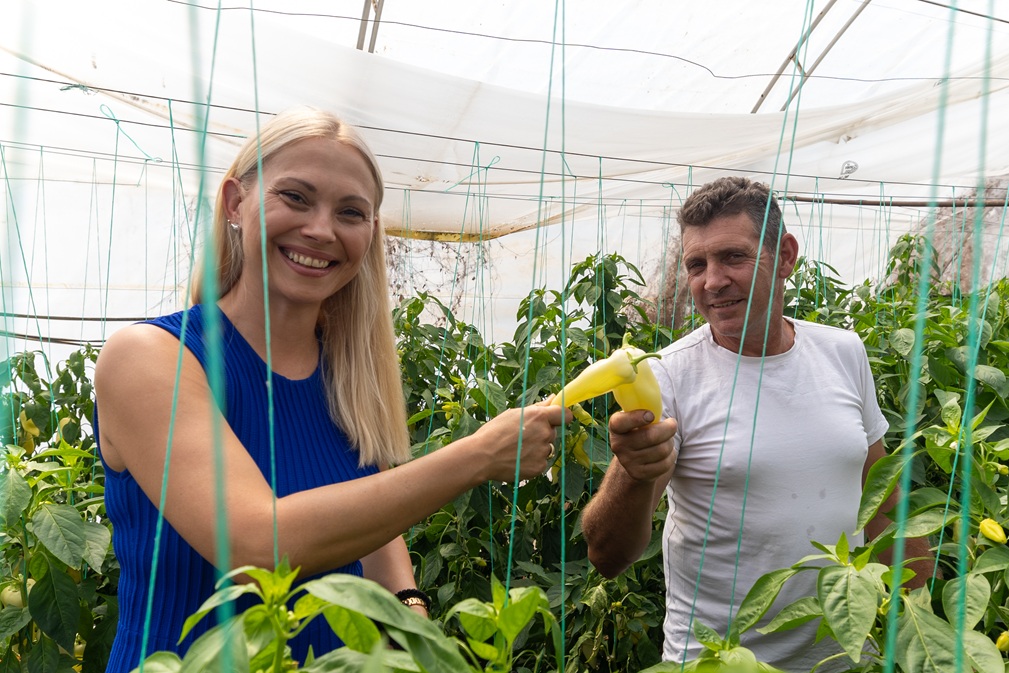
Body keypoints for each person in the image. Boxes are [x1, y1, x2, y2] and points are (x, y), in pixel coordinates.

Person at [93, 106, 569, 672]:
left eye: (350, 212)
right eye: (296, 197)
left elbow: (369, 516)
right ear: (235, 203)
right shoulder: (151, 358)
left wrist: (407, 613)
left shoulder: (348, 372)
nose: (321, 230)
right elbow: (255, 546)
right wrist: (477, 456)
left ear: (370, 233)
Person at [581, 177, 932, 672]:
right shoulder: (669, 377)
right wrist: (633, 472)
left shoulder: (842, 351)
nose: (712, 281)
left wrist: (923, 624)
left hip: (847, 656)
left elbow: (881, 497)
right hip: (721, 661)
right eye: (696, 265)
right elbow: (607, 555)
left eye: (733, 257)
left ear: (785, 256)